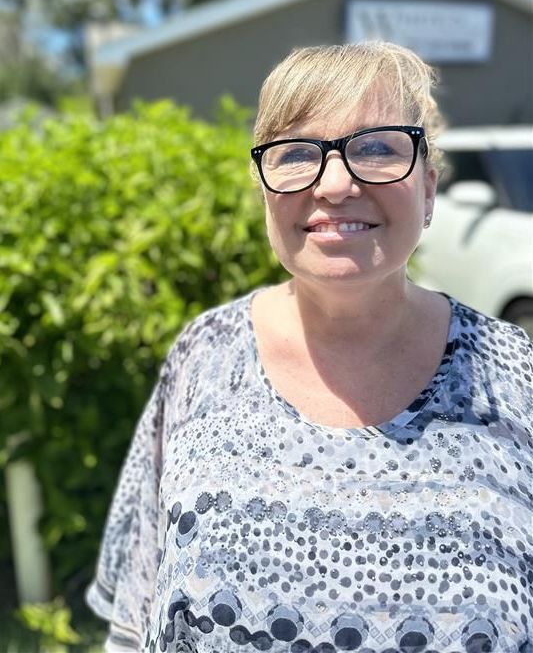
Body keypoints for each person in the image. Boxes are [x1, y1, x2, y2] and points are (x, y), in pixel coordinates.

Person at [87, 42, 532, 653]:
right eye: (297, 153)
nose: (336, 182)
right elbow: (134, 624)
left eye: (377, 147)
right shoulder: (204, 355)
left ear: (428, 188)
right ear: (265, 191)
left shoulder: (514, 375)